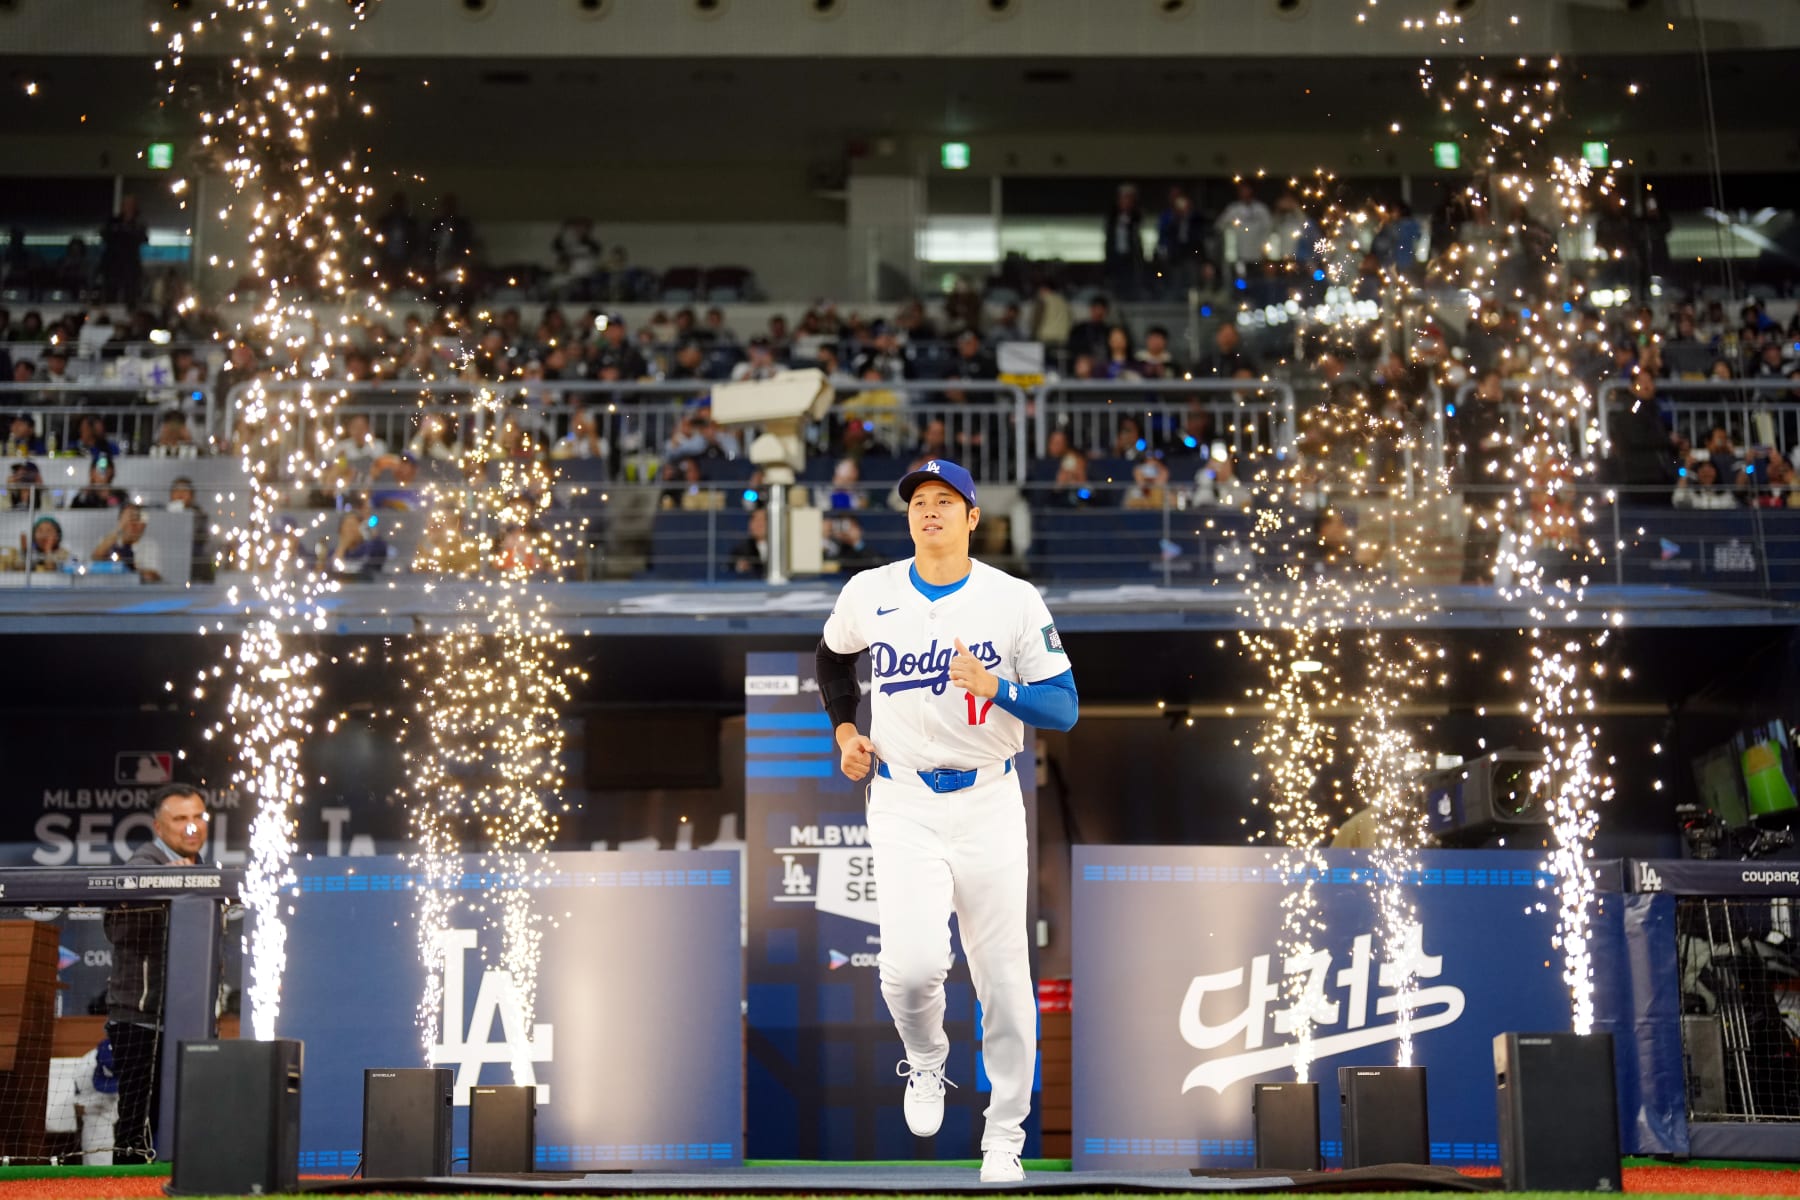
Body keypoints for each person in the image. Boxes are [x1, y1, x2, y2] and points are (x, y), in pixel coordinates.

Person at [814, 458, 1079, 1185]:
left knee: (1004, 982)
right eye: (918, 501)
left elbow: (1064, 708)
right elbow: (831, 660)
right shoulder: (871, 591)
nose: (929, 510)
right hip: (901, 799)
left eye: (945, 501)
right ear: (908, 518)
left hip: (990, 799)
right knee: (910, 971)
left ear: (972, 518)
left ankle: (1004, 1139)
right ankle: (928, 1061)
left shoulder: (1014, 600)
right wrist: (845, 732)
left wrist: (999, 687)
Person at [105, 783, 212, 1163]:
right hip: (141, 1022)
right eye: (180, 819)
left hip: (189, 1020)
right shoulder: (143, 867)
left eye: (198, 817)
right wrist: (167, 886)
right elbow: (118, 932)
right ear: (158, 826)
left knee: (188, 1124)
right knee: (138, 1128)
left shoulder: (202, 869)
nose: (191, 827)